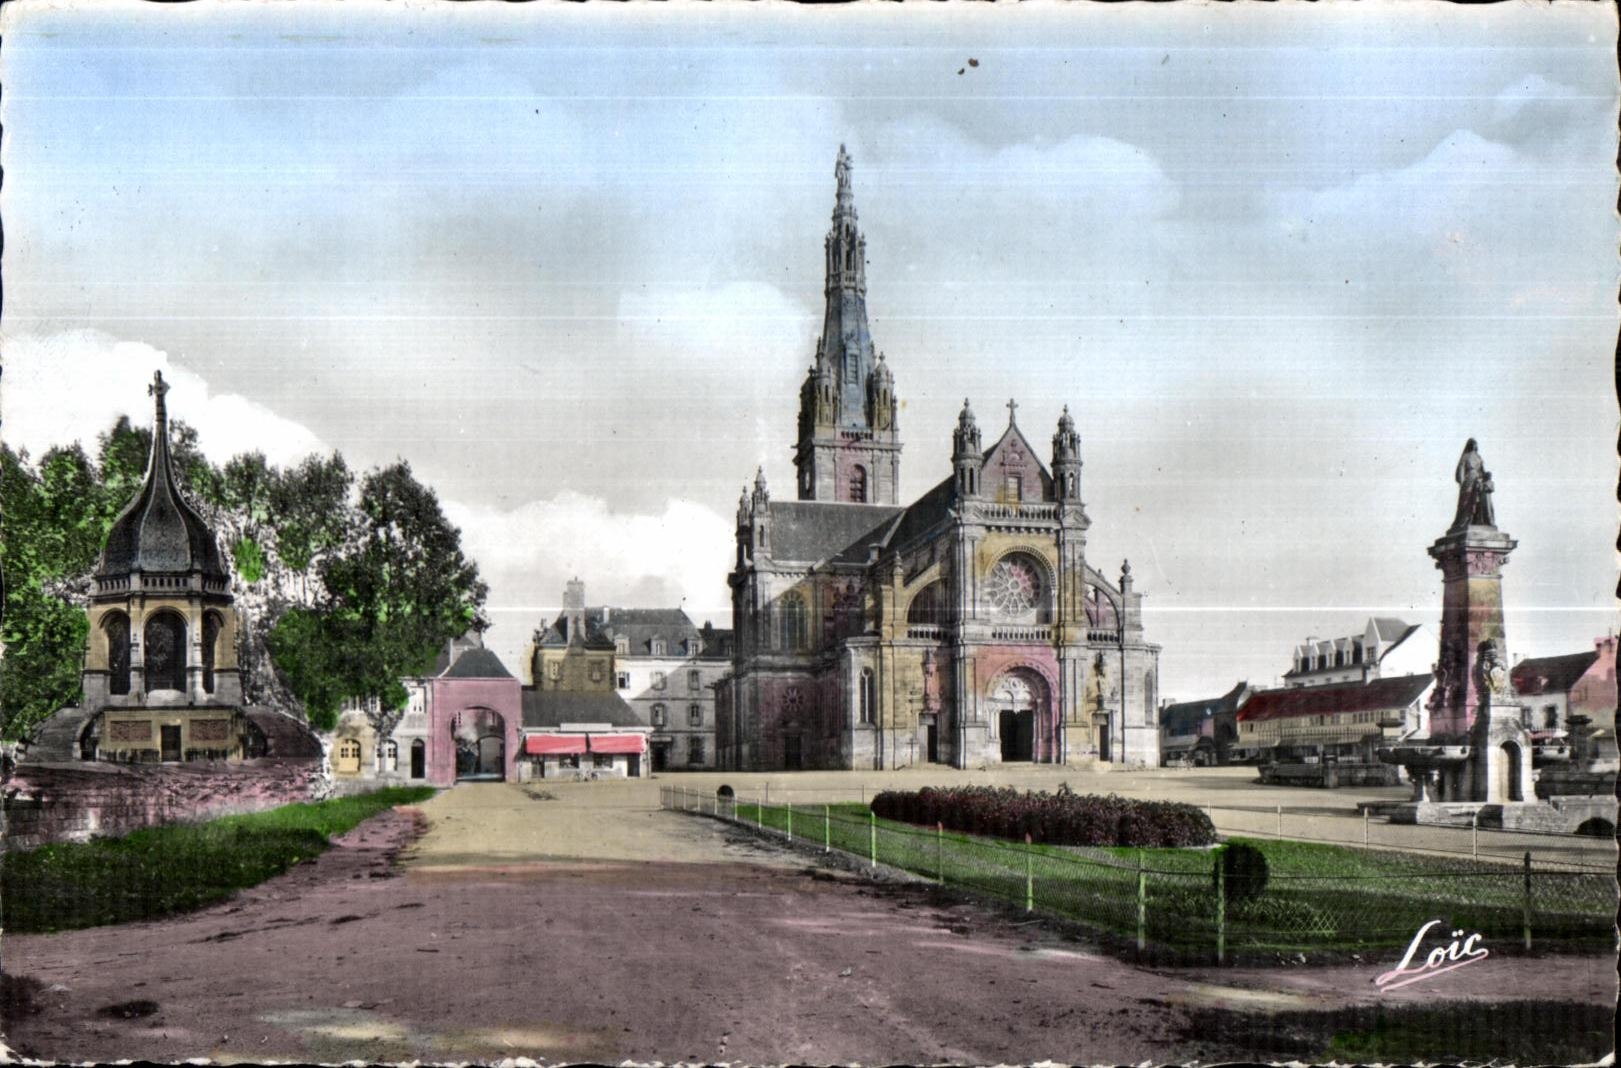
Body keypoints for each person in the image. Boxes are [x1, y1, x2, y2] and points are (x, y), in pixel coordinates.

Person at [1452, 438, 1495, 529]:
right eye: (1472, 444)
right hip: (1469, 480)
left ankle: (1479, 519)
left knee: (1480, 499)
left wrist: (1486, 475)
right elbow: (1460, 470)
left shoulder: (1478, 457)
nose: (1474, 445)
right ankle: (1465, 520)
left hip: (1478, 480)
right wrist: (1462, 482)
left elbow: (1482, 470)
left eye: (1475, 444)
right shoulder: (1465, 457)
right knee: (1466, 502)